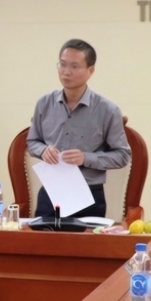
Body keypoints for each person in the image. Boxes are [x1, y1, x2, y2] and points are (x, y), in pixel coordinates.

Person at [26, 38, 131, 218]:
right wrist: (43, 150)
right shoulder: (44, 103)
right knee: (42, 245)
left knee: (87, 246)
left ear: (90, 70)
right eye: (62, 64)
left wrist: (86, 158)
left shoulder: (108, 110)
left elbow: (122, 156)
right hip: (51, 191)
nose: (66, 72)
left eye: (74, 66)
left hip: (89, 194)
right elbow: (32, 141)